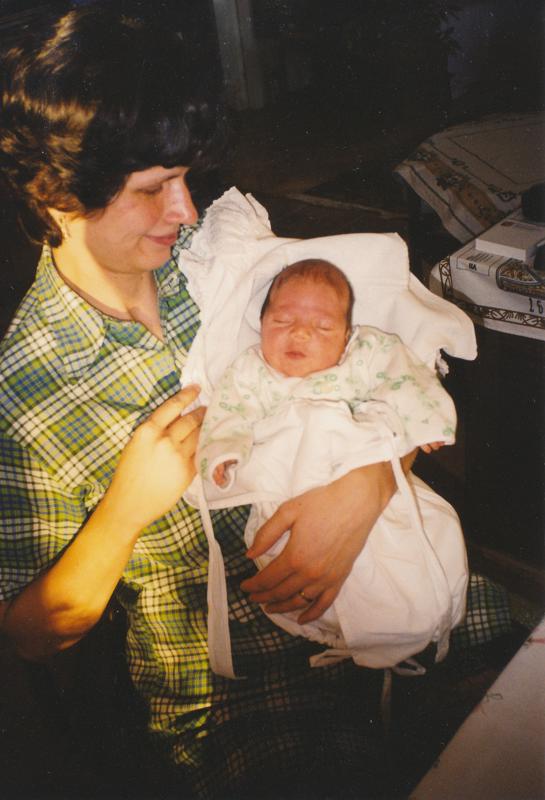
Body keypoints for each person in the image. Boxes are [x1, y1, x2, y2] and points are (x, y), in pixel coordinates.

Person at [0, 6, 414, 798]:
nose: (186, 211)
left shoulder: (217, 260)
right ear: (56, 193)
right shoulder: (27, 393)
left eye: (185, 179)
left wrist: (371, 479)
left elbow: (382, 364)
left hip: (377, 573)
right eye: (153, 189)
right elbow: (32, 637)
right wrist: (124, 509)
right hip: (237, 694)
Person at [197, 259, 468, 671]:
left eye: (323, 327)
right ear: (261, 324)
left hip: (357, 468)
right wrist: (225, 453)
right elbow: (228, 413)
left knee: (409, 538)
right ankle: (342, 627)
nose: (300, 333)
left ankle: (409, 618)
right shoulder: (251, 371)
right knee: (286, 554)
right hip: (290, 489)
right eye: (282, 320)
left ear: (346, 336)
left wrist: (423, 421)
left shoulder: (364, 354)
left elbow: (406, 378)